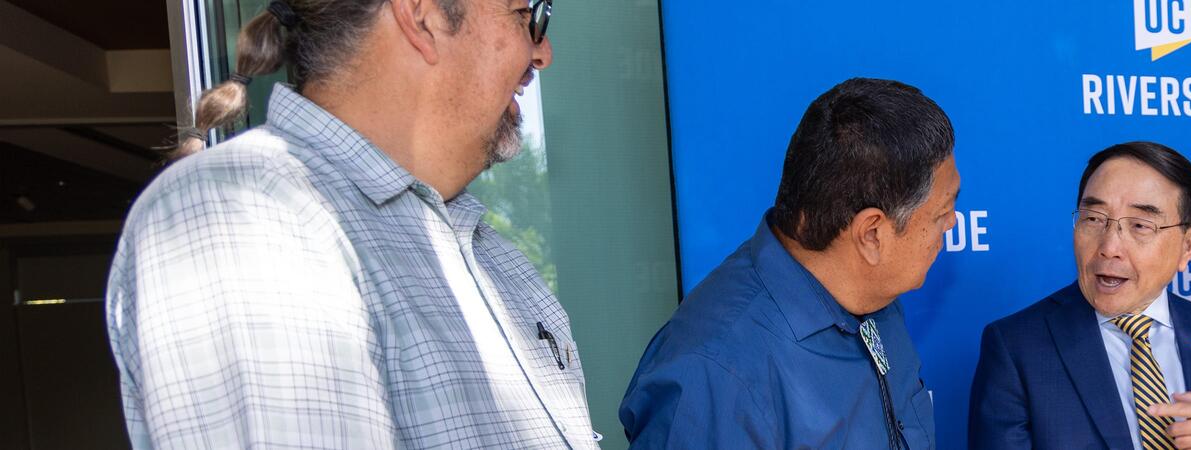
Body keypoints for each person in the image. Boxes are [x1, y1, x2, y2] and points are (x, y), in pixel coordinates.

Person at [104, 0, 592, 448]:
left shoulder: (491, 253)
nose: (543, 52)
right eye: (525, 15)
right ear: (422, 16)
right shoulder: (250, 212)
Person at [617, 77, 958, 449]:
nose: (952, 223)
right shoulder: (716, 376)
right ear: (872, 234)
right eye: (942, 212)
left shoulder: (874, 299)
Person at [970, 141, 1191, 450]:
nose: (1109, 247)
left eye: (1140, 226)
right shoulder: (1017, 347)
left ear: (1188, 247)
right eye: (1093, 219)